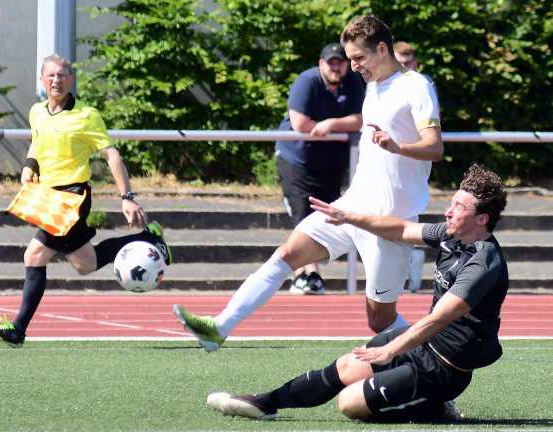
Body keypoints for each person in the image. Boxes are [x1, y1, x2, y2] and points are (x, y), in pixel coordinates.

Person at [173, 15, 443, 351]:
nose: (354, 66)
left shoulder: (416, 85)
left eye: (359, 58)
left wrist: (398, 147)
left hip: (389, 222)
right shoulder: (372, 85)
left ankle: (434, 359)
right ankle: (218, 328)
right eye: (350, 59)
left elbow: (435, 148)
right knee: (286, 254)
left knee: (379, 321)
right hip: (350, 206)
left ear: (383, 48)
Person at [206, 163, 509, 423]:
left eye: (459, 207)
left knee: (350, 404)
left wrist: (392, 349)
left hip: (444, 367)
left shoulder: (484, 262)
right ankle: (264, 403)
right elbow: (399, 230)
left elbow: (439, 318)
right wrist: (348, 217)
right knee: (346, 367)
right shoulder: (450, 235)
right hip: (423, 345)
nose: (448, 211)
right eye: (452, 202)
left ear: (482, 218)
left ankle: (434, 408)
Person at [0, 54, 172, 348]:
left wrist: (127, 197)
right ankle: (149, 238)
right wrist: (29, 165)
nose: (57, 80)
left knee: (33, 256)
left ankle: (18, 330)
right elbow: (37, 140)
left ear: (70, 79)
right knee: (86, 264)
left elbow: (112, 155)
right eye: (51, 76)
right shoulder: (37, 112)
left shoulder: (87, 115)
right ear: (42, 80)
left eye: (62, 75)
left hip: (72, 197)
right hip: (48, 196)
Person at [275, 42, 364, 295]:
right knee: (303, 216)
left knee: (325, 216)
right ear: (320, 63)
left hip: (330, 162)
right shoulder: (307, 81)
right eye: (331, 62)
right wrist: (335, 125)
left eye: (340, 62)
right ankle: (306, 274)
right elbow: (300, 123)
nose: (336, 67)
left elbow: (362, 119)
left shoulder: (352, 83)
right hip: (298, 160)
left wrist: (331, 124)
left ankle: (309, 274)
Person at [394, 41, 438, 293]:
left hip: (411, 158)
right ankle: (404, 266)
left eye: (408, 63)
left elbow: (431, 132)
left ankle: (409, 264)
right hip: (386, 159)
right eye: (400, 63)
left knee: (404, 215)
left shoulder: (422, 84)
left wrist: (401, 147)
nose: (404, 68)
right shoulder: (379, 83)